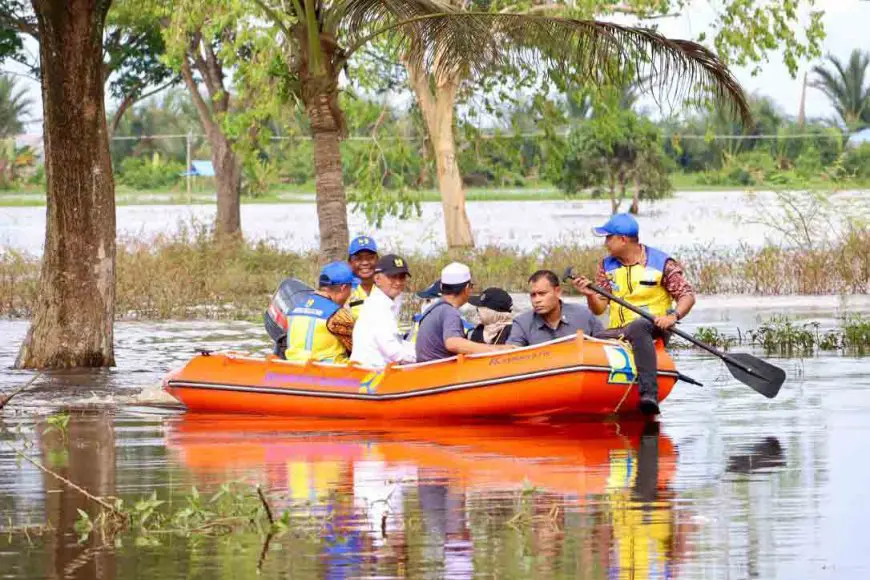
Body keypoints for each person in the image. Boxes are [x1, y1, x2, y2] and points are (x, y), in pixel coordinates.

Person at [571, 213, 696, 416]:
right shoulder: (606, 266)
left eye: (608, 238)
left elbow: (687, 296)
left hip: (654, 327)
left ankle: (649, 394)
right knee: (590, 337)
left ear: (622, 239)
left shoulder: (662, 262)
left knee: (638, 327)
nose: (605, 244)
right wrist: (590, 295)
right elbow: (599, 308)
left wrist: (672, 317)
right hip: (619, 331)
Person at [415, 262, 512, 363]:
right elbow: (453, 343)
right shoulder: (450, 312)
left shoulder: (435, 308)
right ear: (466, 288)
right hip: (439, 372)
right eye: (471, 286)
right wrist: (495, 350)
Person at [351, 254, 417, 367]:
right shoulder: (377, 306)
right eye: (392, 276)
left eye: (401, 277)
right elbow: (393, 351)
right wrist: (424, 356)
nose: (398, 282)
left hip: (377, 373)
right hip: (369, 375)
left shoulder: (388, 303)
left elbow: (398, 343)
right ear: (377, 279)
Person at [507, 270, 603, 347]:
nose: (537, 300)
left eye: (542, 294)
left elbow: (607, 343)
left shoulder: (584, 315)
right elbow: (512, 349)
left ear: (557, 292)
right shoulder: (522, 322)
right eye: (533, 295)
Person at [284, 261, 355, 364]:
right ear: (343, 288)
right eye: (350, 288)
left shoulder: (294, 308)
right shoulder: (338, 315)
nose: (350, 293)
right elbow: (359, 350)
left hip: (294, 370)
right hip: (329, 375)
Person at [347, 235, 379, 319]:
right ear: (350, 263)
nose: (365, 263)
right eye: (358, 259)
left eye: (370, 258)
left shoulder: (386, 288)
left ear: (377, 260)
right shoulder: (343, 291)